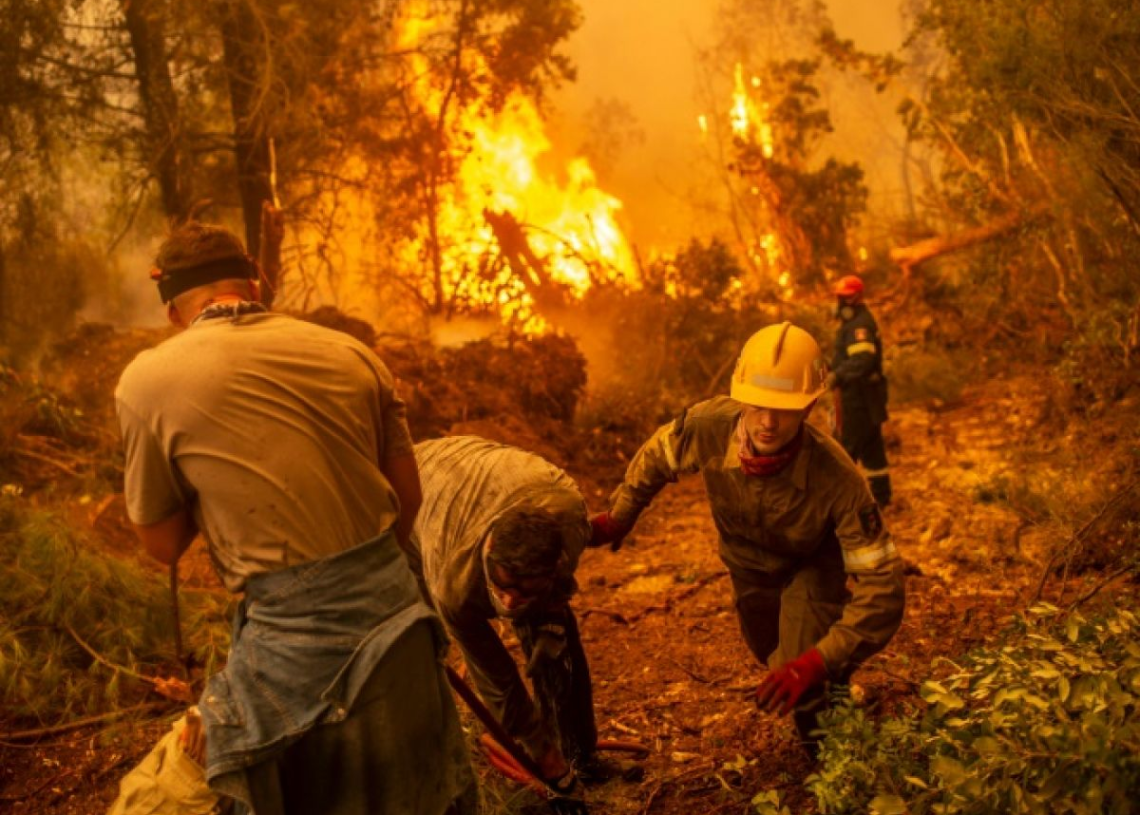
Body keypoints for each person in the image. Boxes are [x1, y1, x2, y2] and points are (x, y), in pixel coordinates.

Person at [114, 218, 474, 814]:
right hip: (402, 634)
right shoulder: (354, 354)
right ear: (257, 284)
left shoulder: (147, 381)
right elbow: (406, 502)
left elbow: (162, 545)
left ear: (173, 308)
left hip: (288, 653)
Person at [590, 322, 905, 751]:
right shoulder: (708, 427)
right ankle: (827, 667)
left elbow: (884, 587)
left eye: (785, 408)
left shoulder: (838, 478)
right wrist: (619, 517)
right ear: (740, 396)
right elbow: (658, 456)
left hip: (810, 566)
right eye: (757, 405)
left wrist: (817, 661)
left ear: (810, 406)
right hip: (748, 568)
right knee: (770, 655)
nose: (768, 422)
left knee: (802, 674)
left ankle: (831, 756)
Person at [407, 436, 606, 801]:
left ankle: (583, 755)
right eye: (503, 585)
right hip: (414, 486)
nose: (512, 600)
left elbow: (558, 588)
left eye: (527, 590)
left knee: (557, 637)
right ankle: (436, 758)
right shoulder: (454, 583)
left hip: (518, 482)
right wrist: (547, 762)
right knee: (422, 633)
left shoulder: (570, 518)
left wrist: (549, 621)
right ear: (490, 550)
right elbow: (498, 681)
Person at [828, 274, 891, 507]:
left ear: (856, 297)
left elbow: (863, 359)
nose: (840, 303)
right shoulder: (852, 324)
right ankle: (882, 497)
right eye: (839, 298)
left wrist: (838, 375)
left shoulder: (860, 325)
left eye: (844, 298)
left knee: (846, 447)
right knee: (872, 448)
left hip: (859, 398)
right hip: (865, 396)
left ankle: (838, 502)